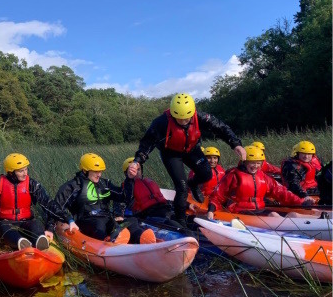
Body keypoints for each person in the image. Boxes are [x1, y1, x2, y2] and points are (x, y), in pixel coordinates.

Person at [132, 93, 246, 227]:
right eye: (179, 119)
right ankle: (180, 222)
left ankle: (193, 183)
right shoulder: (161, 122)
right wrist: (137, 160)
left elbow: (221, 127)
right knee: (181, 187)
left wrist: (235, 144)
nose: (183, 121)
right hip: (171, 154)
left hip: (191, 149)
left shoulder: (200, 117)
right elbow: (147, 143)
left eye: (186, 118)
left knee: (206, 174)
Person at [0, 153, 70, 251]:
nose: (25, 173)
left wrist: (67, 219)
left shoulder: (33, 185)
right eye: (21, 171)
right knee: (4, 228)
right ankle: (20, 243)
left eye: (26, 169)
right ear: (11, 172)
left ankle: (39, 241)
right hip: (6, 222)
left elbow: (48, 204)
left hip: (27, 221)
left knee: (36, 224)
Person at [54, 153, 156, 244]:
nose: (99, 174)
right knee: (99, 224)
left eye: (101, 171)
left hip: (106, 218)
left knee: (132, 221)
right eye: (96, 171)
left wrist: (129, 179)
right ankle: (110, 242)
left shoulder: (105, 183)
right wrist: (70, 220)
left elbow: (123, 196)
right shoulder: (72, 186)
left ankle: (143, 239)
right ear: (85, 170)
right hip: (86, 221)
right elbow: (57, 206)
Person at [206, 146, 314, 220]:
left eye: (258, 163)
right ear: (245, 162)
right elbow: (217, 196)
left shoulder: (263, 177)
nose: (255, 166)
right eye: (252, 163)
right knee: (273, 215)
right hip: (240, 212)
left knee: (293, 214)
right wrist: (211, 210)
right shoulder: (233, 175)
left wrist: (301, 202)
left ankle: (320, 218)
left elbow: (281, 192)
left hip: (259, 210)